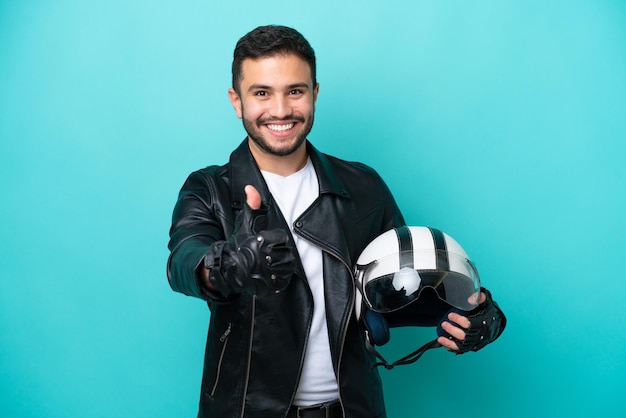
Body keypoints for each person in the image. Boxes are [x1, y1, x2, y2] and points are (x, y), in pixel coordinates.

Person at [167, 25, 506, 418]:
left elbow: (401, 288)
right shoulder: (208, 189)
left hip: (353, 408)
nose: (280, 110)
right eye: (261, 93)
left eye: (295, 90)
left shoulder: (363, 187)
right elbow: (183, 261)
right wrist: (226, 267)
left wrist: (473, 313)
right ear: (236, 101)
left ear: (314, 94)